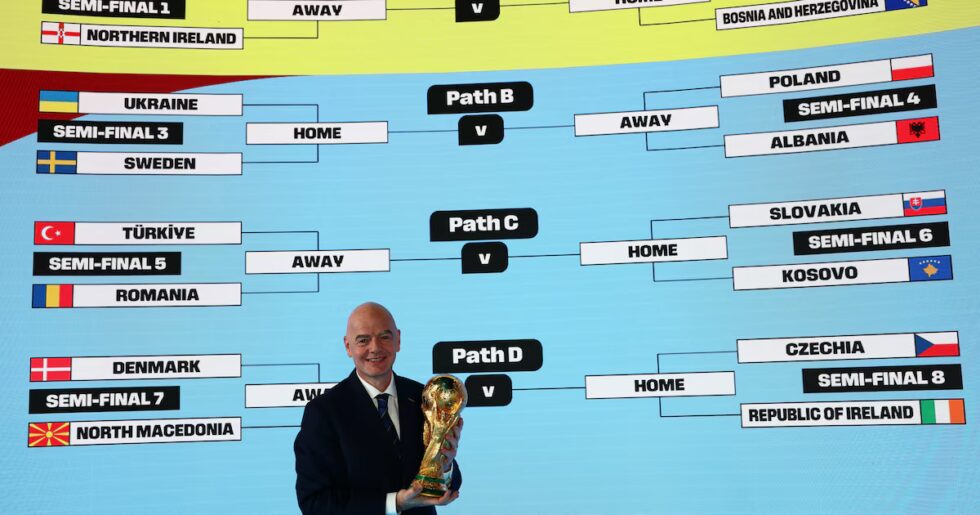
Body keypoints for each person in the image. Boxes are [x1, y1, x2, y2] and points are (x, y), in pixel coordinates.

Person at [295, 302, 463, 514]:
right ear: (348, 346)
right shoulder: (324, 412)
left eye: (384, 337)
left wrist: (445, 466)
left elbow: (450, 485)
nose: (375, 348)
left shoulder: (424, 398)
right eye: (363, 340)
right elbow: (315, 502)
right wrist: (395, 503)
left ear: (398, 340)